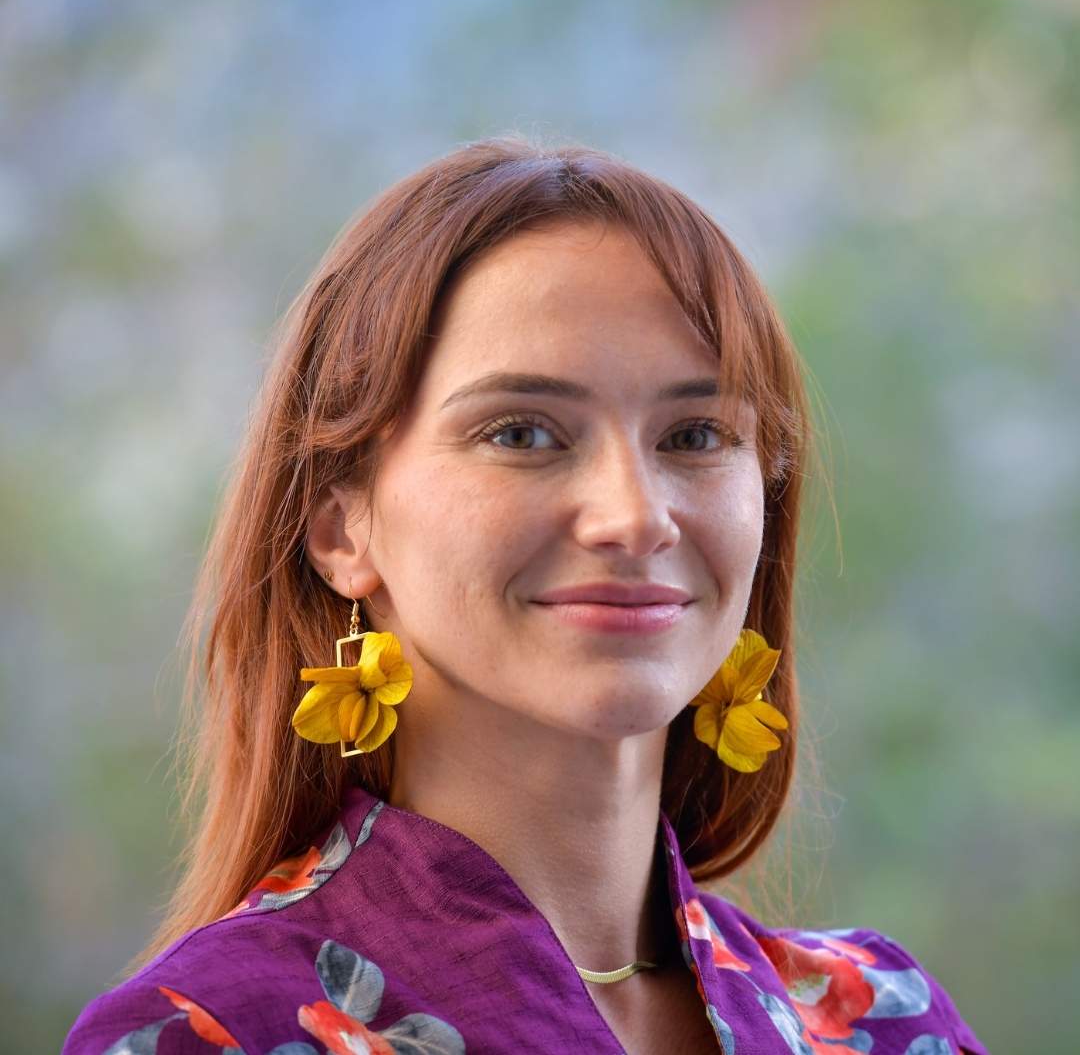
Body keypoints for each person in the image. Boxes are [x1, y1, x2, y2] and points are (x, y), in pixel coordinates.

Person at [63, 137, 989, 1055]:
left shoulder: (883, 1021)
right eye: (523, 433)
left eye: (697, 435)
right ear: (342, 527)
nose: (635, 517)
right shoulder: (213, 1034)